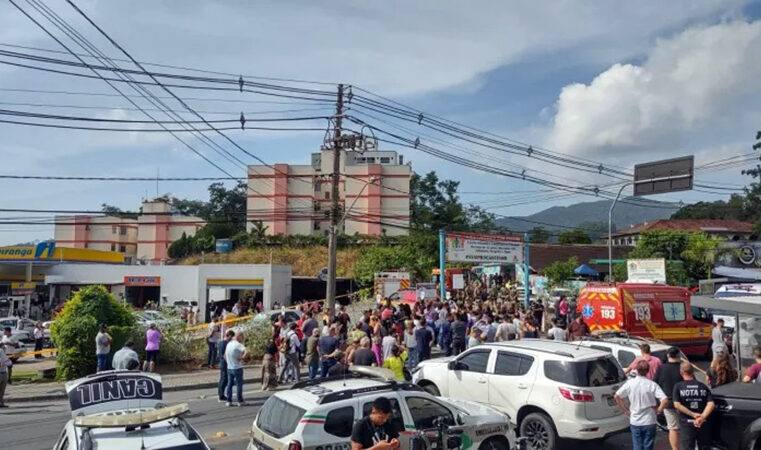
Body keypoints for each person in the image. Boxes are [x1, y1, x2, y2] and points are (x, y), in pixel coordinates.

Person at [614, 360, 669, 450]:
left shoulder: (630, 383)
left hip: (635, 419)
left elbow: (617, 396)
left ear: (637, 370)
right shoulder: (652, 384)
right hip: (649, 419)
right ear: (647, 371)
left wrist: (625, 410)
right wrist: (658, 410)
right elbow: (665, 399)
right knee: (648, 445)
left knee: (637, 446)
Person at [673, 362, 715, 450]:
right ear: (693, 372)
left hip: (686, 423)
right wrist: (702, 416)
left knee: (687, 447)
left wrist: (692, 414)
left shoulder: (678, 386)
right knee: (704, 447)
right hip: (702, 423)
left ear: (681, 372)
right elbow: (711, 404)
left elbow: (677, 404)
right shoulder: (702, 386)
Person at [654, 347, 685, 450]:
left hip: (668, 402)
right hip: (683, 402)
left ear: (668, 356)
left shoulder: (661, 368)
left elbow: (655, 384)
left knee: (673, 428)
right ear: (679, 355)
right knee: (685, 427)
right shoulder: (683, 367)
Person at [224, 331, 249, 407]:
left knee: (229, 384)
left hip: (229, 367)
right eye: (242, 337)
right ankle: (240, 401)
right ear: (239, 337)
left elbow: (224, 356)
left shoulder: (229, 344)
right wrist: (242, 358)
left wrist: (228, 362)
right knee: (239, 384)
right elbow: (247, 352)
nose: (243, 339)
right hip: (237, 367)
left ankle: (229, 400)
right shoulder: (238, 345)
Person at [217, 330, 235, 402]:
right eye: (231, 337)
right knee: (224, 379)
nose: (232, 338)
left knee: (224, 379)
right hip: (225, 363)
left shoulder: (221, 343)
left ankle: (222, 394)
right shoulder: (225, 343)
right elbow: (225, 355)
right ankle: (221, 395)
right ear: (229, 335)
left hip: (223, 363)